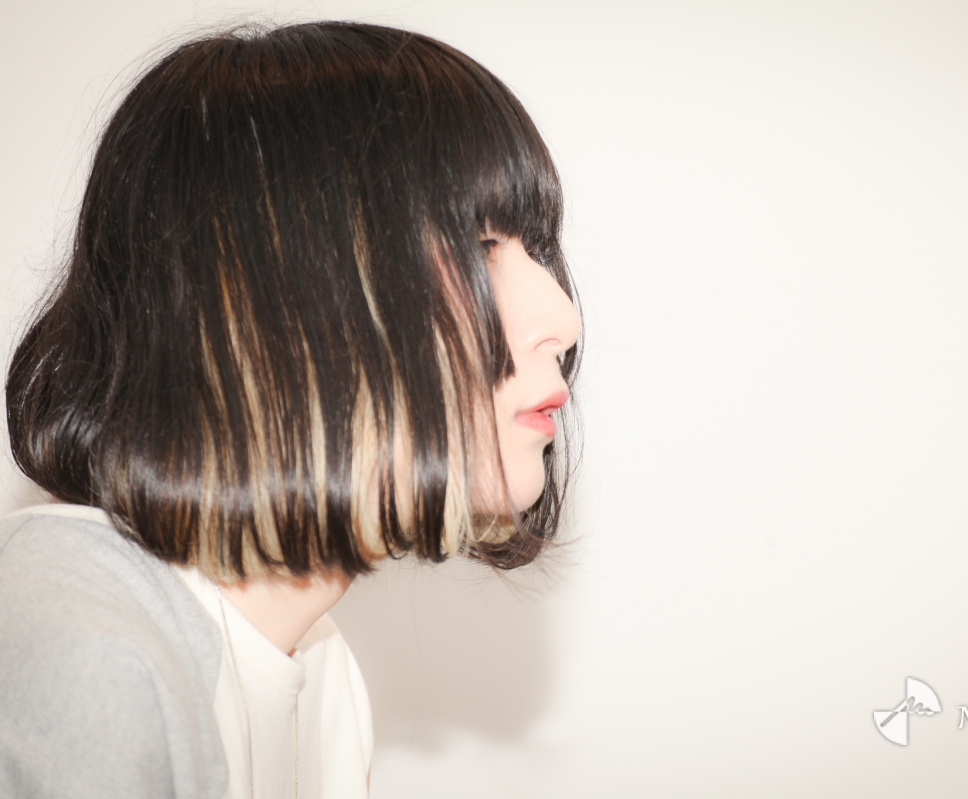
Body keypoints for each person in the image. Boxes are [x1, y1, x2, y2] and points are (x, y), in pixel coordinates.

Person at [0, 21, 581, 799]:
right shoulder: (76, 645)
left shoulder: (323, 673)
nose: (563, 319)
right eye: (481, 247)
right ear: (278, 293)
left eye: (535, 249)